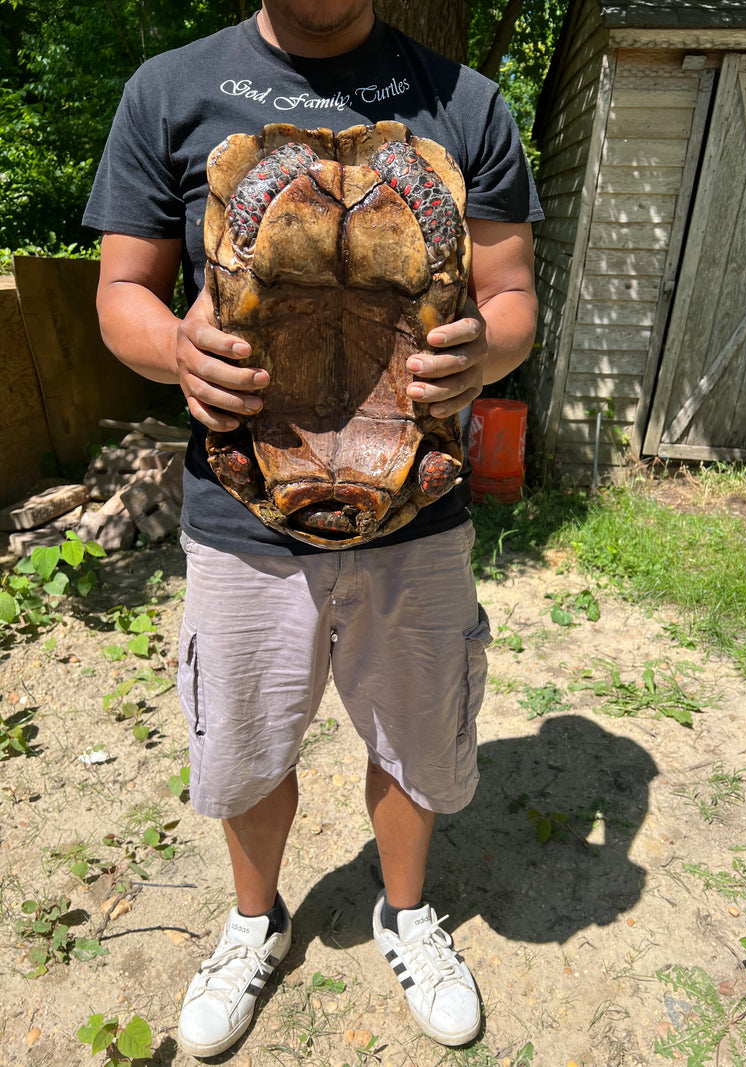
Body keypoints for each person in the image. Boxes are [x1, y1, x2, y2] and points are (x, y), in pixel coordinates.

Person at [83, 0, 541, 1056]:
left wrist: (484, 349)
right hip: (246, 501)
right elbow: (122, 292)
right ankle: (254, 920)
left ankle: (406, 910)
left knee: (418, 737)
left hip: (414, 502)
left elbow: (510, 291)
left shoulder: (466, 105)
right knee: (244, 744)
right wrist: (174, 349)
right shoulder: (167, 89)